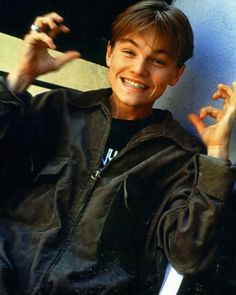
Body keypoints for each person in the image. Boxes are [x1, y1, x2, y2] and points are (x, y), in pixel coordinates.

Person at [0, 1, 235, 294]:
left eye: (158, 61)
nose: (138, 69)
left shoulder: (181, 157)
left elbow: (187, 259)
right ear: (109, 53)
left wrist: (216, 155)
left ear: (176, 74)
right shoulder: (56, 108)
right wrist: (19, 79)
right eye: (129, 51)